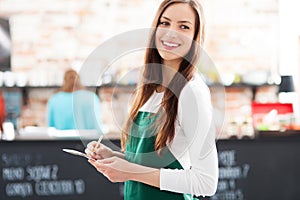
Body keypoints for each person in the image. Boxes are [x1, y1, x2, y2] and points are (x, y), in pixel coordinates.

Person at [85, 0, 218, 199]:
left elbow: (206, 182)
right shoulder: (150, 87)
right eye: (164, 23)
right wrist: (114, 158)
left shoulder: (192, 92)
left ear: (195, 37)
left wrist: (129, 171)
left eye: (183, 26)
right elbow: (150, 163)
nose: (171, 32)